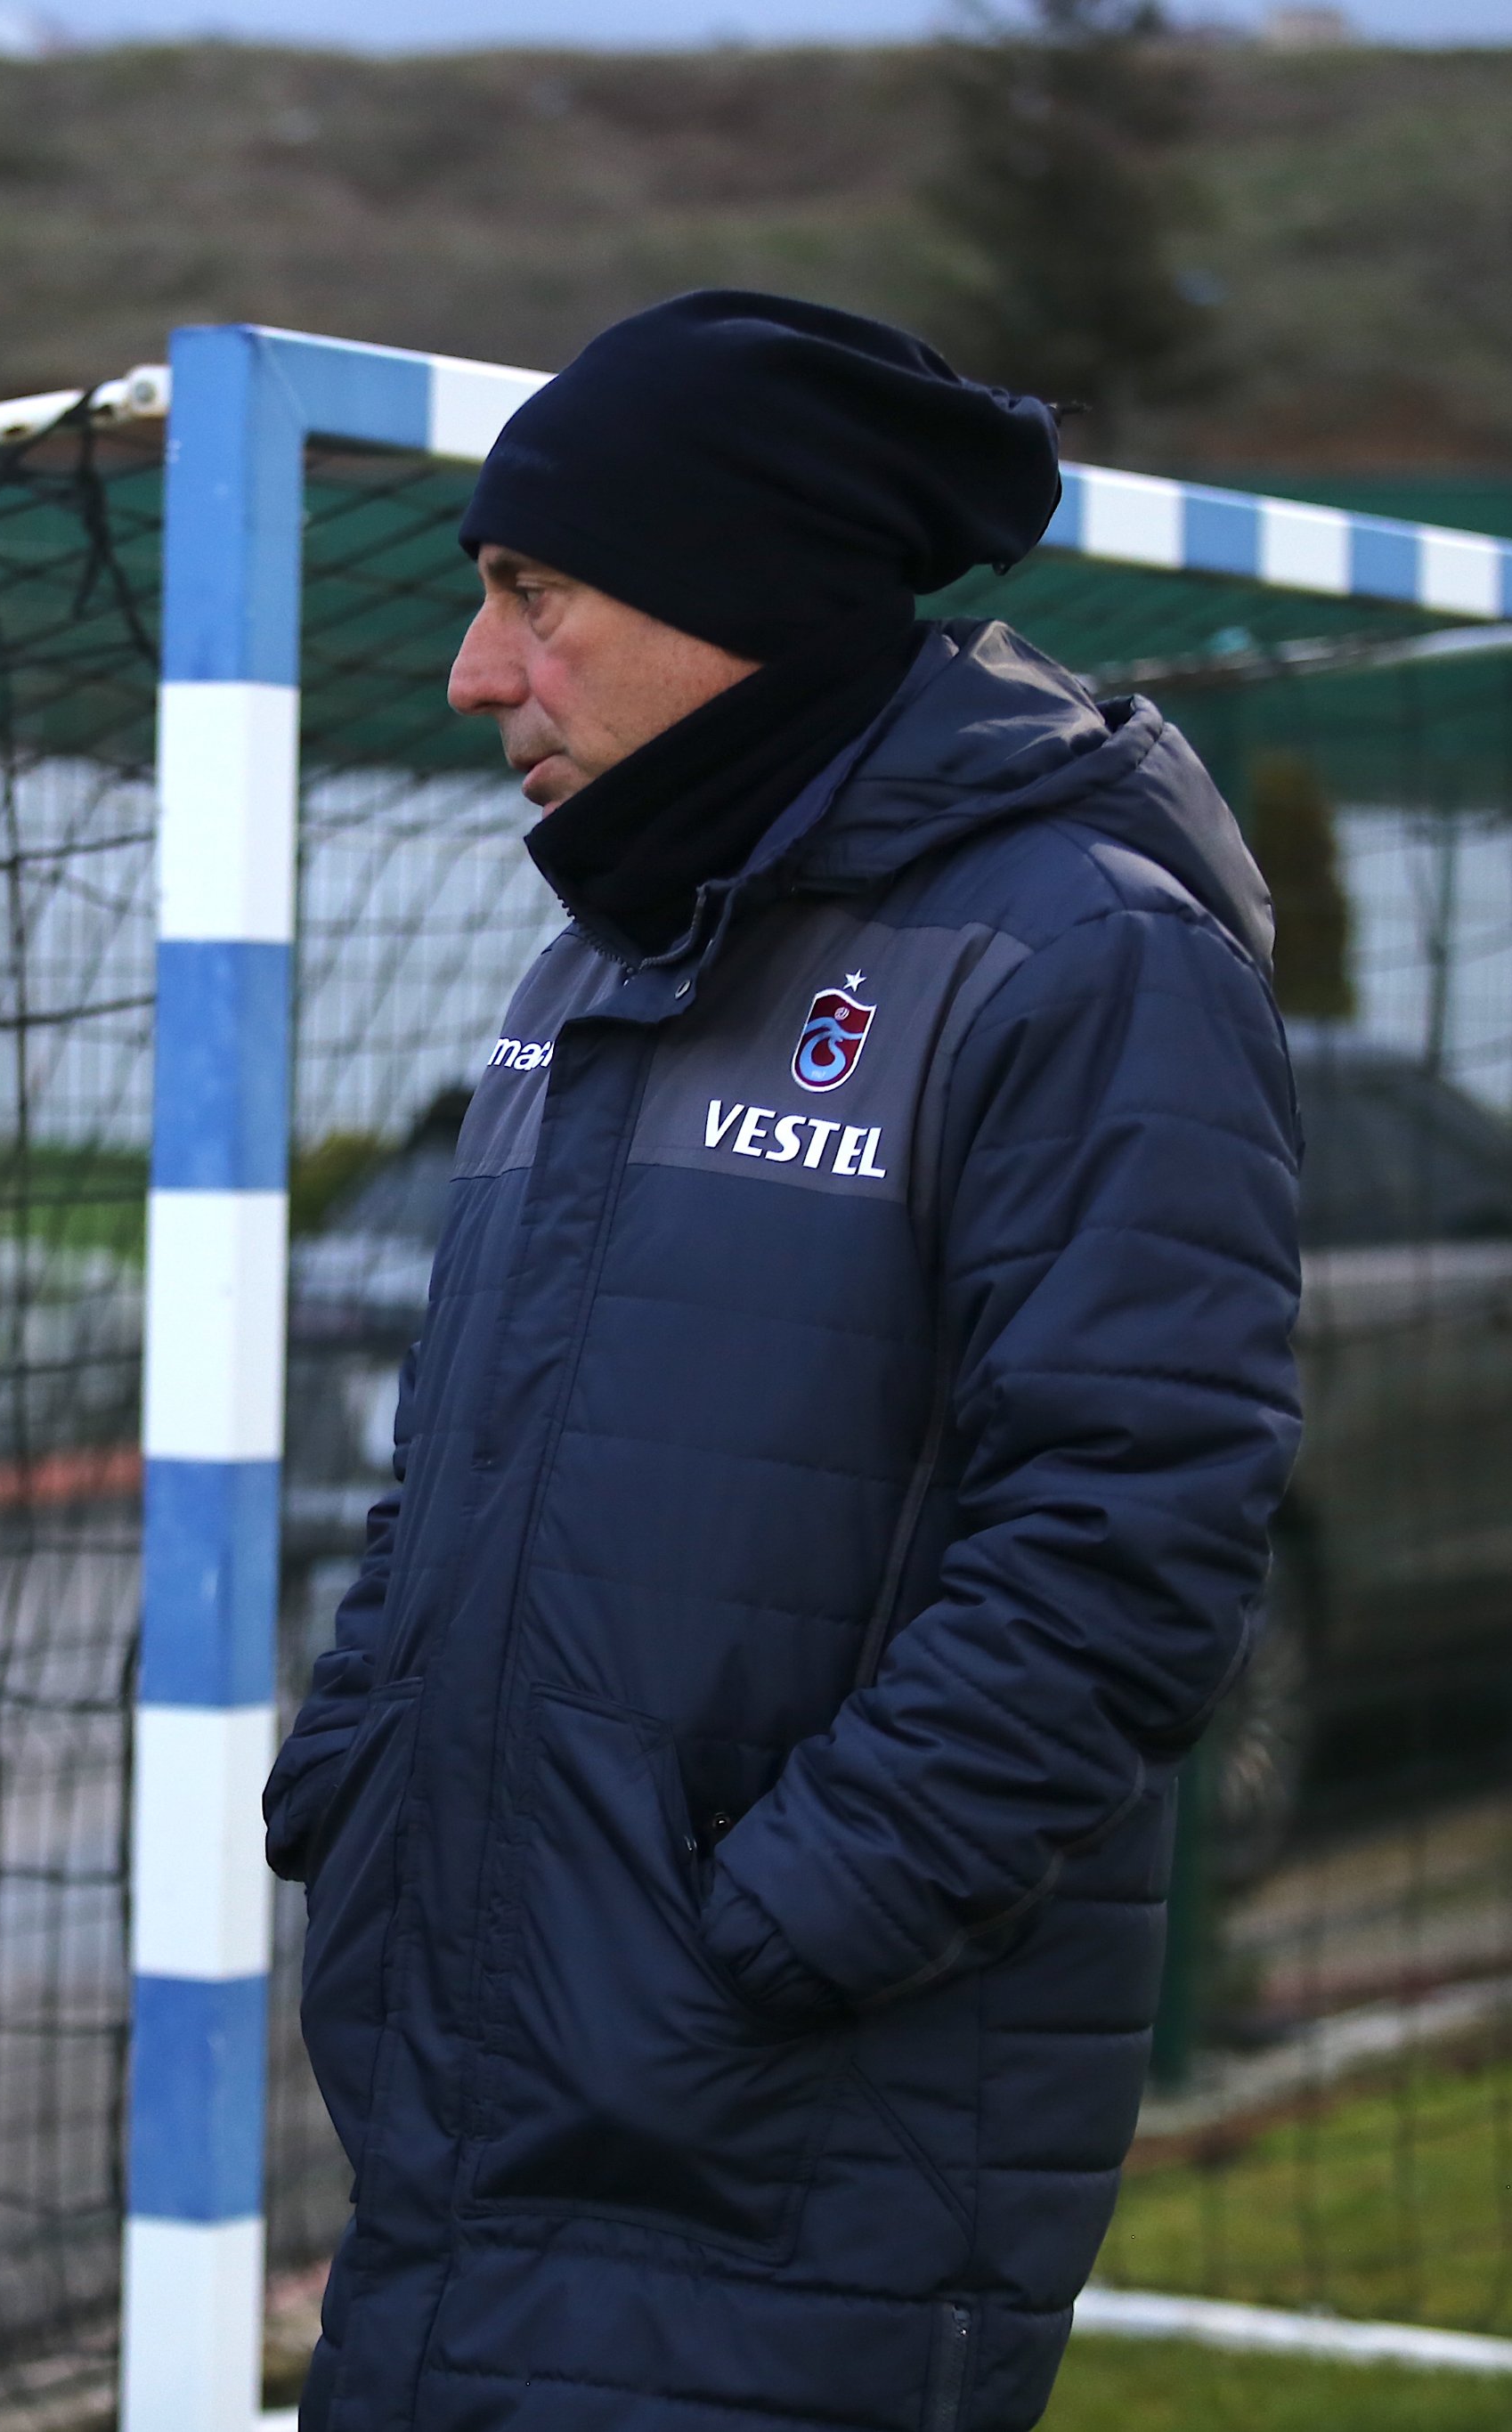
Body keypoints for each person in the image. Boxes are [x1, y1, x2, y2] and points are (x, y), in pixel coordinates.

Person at [262, 291, 1304, 2432]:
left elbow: (1129, 1547)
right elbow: (454, 1461)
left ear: (732, 593)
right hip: (470, 2118)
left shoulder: (1080, 953)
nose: (474, 672)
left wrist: (747, 1940)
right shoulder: (601, 952)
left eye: (532, 595)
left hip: (785, 2144)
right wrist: (356, 1776)